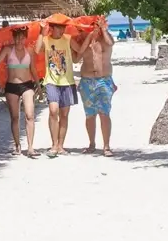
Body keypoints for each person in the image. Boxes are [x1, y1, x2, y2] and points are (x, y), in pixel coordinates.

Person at [77, 19, 116, 155]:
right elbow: (78, 55)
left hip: (104, 80)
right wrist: (89, 37)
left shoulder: (107, 39)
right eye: (93, 26)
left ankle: (106, 146)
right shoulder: (85, 41)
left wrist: (103, 30)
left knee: (104, 113)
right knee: (90, 114)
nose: (95, 29)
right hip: (87, 81)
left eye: (98, 26)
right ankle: (92, 144)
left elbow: (111, 43)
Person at [0, 24, 39, 156]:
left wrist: (38, 86)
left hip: (27, 85)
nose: (19, 41)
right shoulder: (7, 49)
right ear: (13, 38)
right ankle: (17, 146)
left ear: (26, 38)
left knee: (30, 115)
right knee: (15, 117)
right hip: (12, 86)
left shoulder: (30, 50)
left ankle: (31, 147)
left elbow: (33, 69)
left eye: (22, 38)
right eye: (16, 38)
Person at [41, 13, 78, 155]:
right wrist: (41, 32)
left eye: (63, 27)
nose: (62, 30)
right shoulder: (45, 39)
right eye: (59, 27)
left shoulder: (68, 39)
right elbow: (37, 49)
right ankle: (54, 145)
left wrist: (90, 37)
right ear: (52, 28)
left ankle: (61, 146)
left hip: (67, 81)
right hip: (51, 81)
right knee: (53, 111)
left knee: (64, 114)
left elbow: (79, 51)